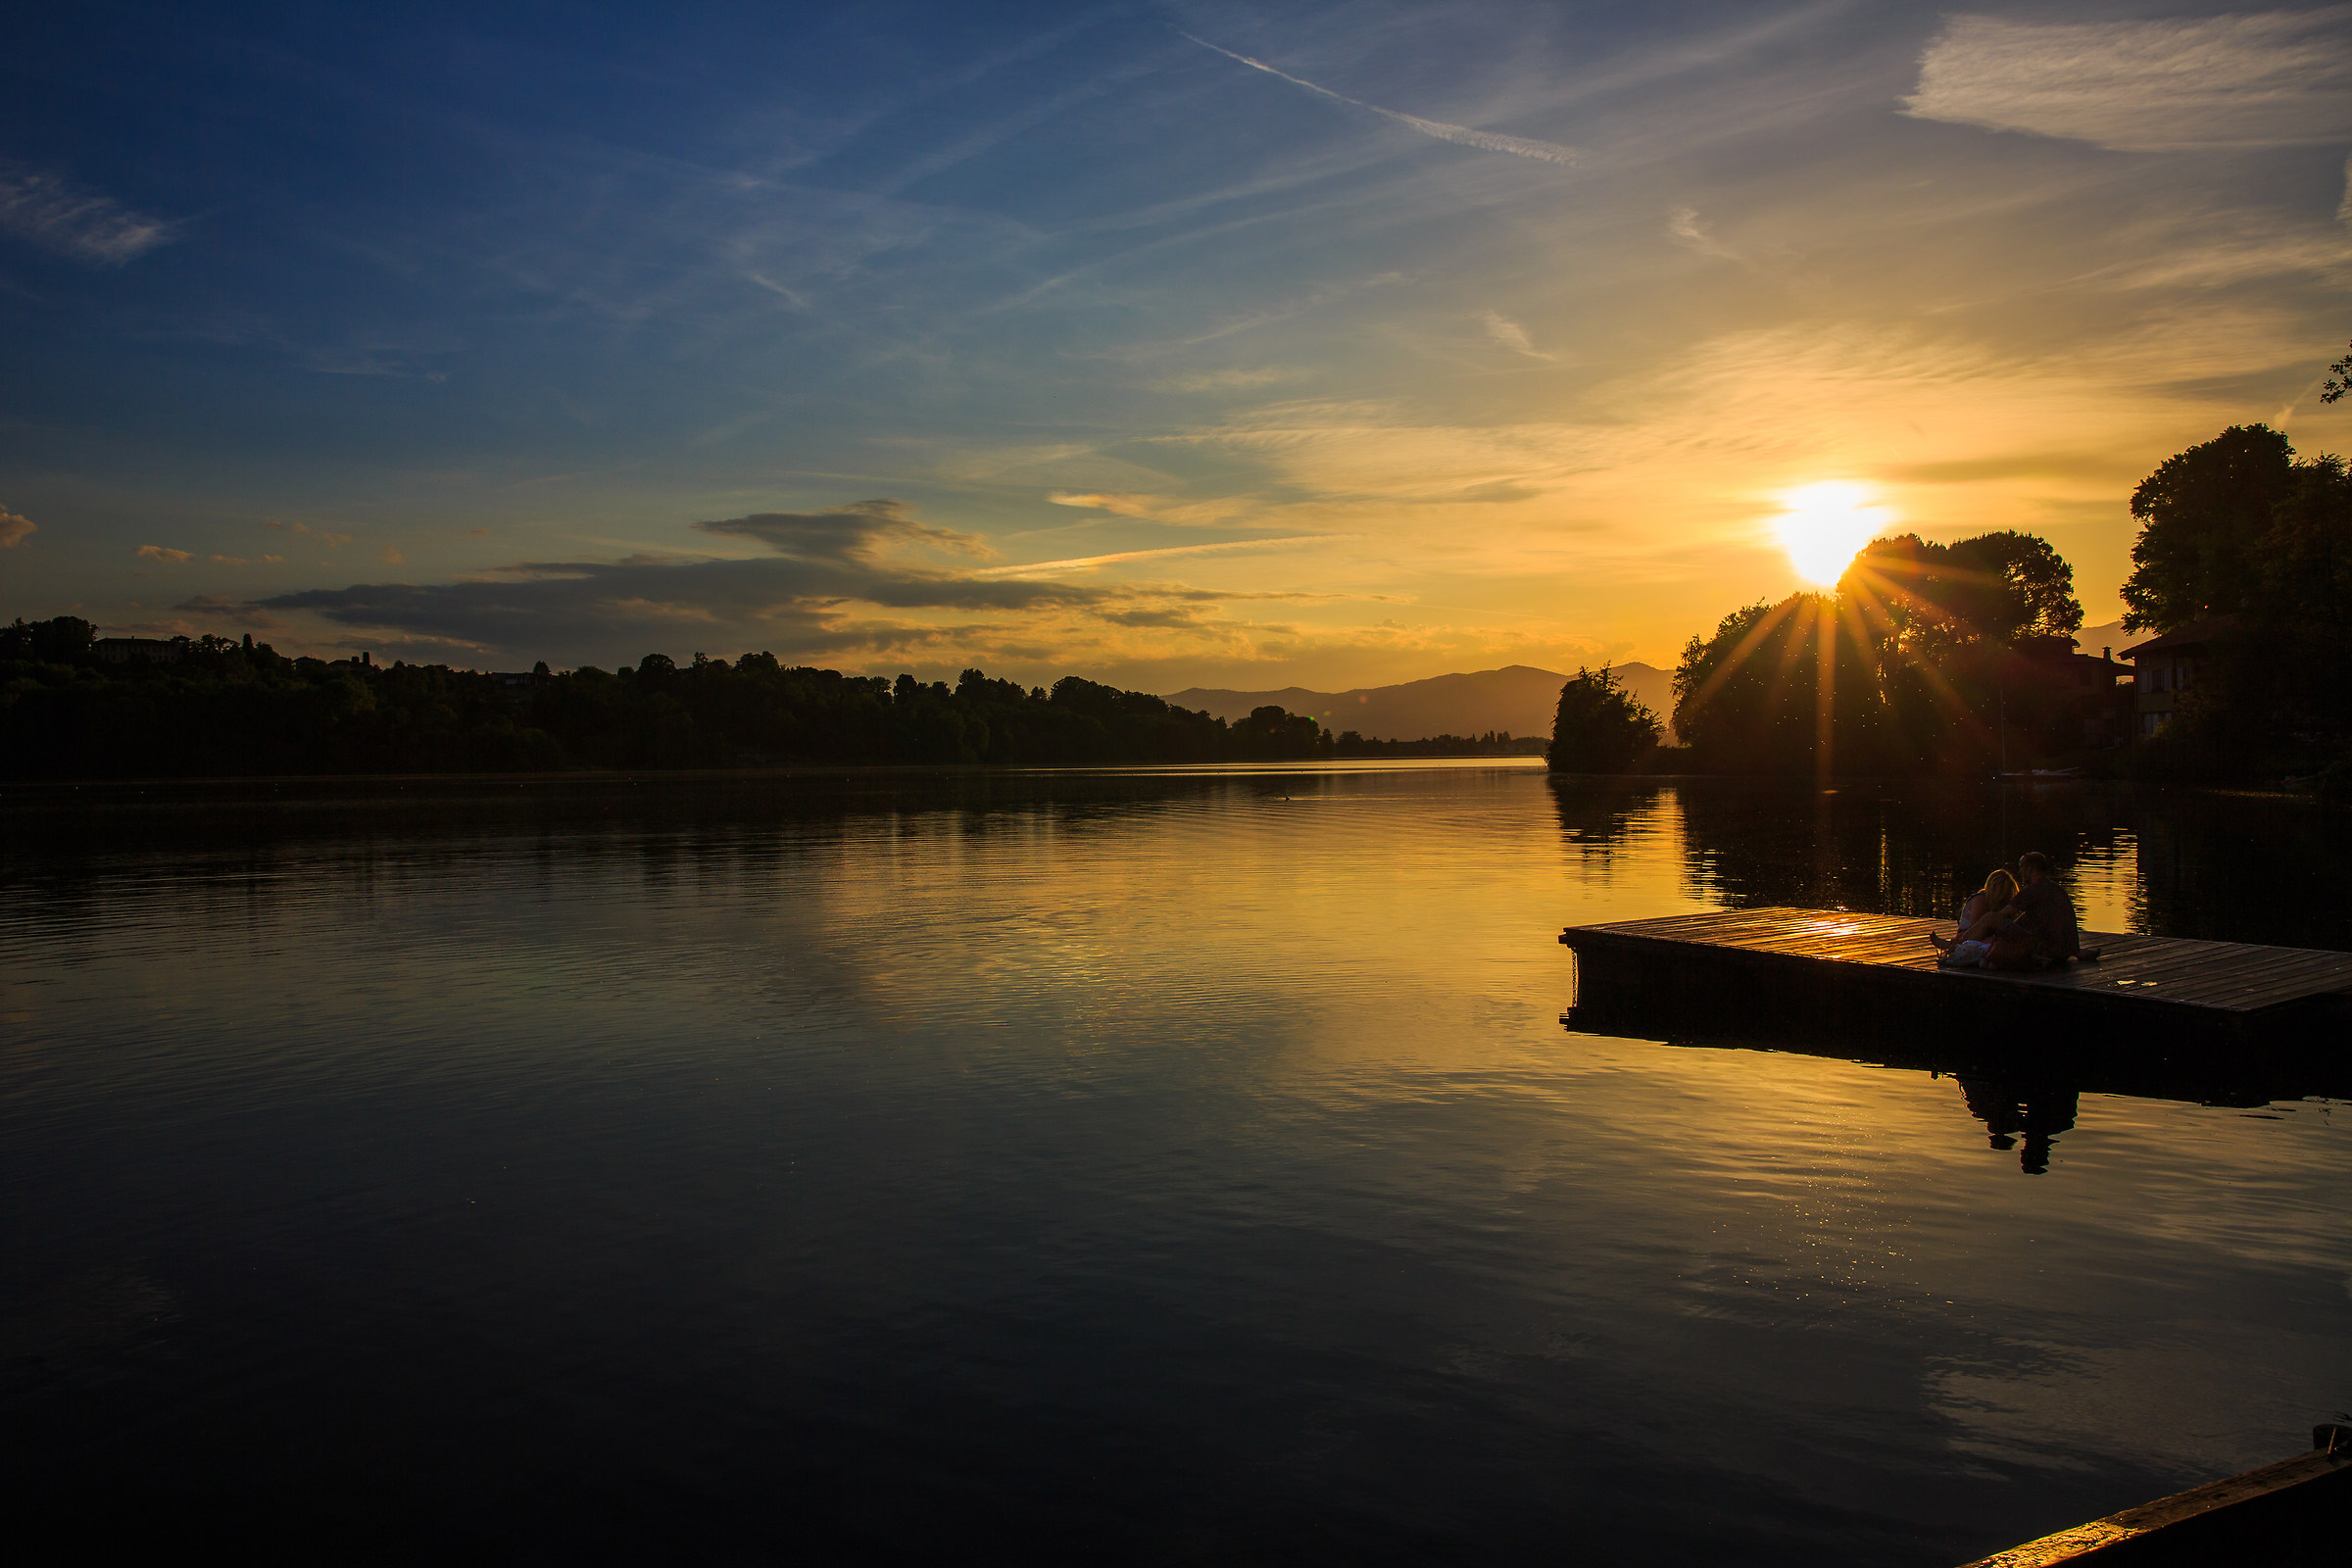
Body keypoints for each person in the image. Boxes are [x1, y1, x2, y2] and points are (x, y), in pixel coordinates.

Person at [1985, 851, 2090, 969]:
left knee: (1990, 918)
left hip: (2047, 950)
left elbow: (2000, 916)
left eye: (2022, 868)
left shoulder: (2032, 891)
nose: (2020, 872)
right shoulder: (2058, 890)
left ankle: (1964, 940)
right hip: (2065, 952)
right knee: (2025, 917)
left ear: (2030, 869)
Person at [1931, 869, 2017, 967]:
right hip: (1971, 938)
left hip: (1984, 938)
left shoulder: (2005, 904)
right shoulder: (1981, 899)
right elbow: (1976, 929)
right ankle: (1951, 945)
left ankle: (1952, 945)